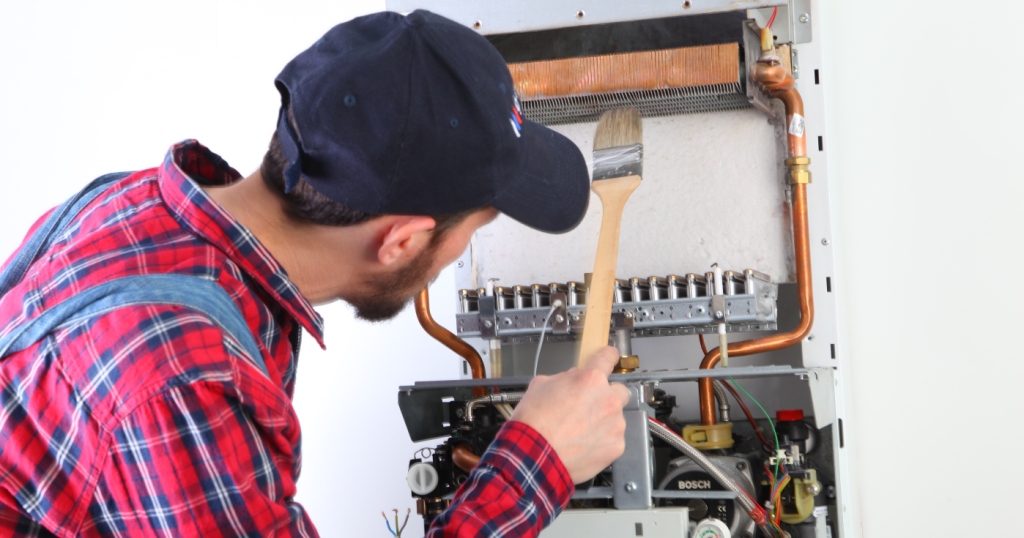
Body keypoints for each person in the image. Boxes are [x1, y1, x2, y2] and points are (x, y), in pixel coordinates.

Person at [0, 9, 629, 538]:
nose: (459, 252)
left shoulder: (126, 205)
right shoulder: (183, 373)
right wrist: (536, 463)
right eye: (474, 228)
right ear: (402, 239)